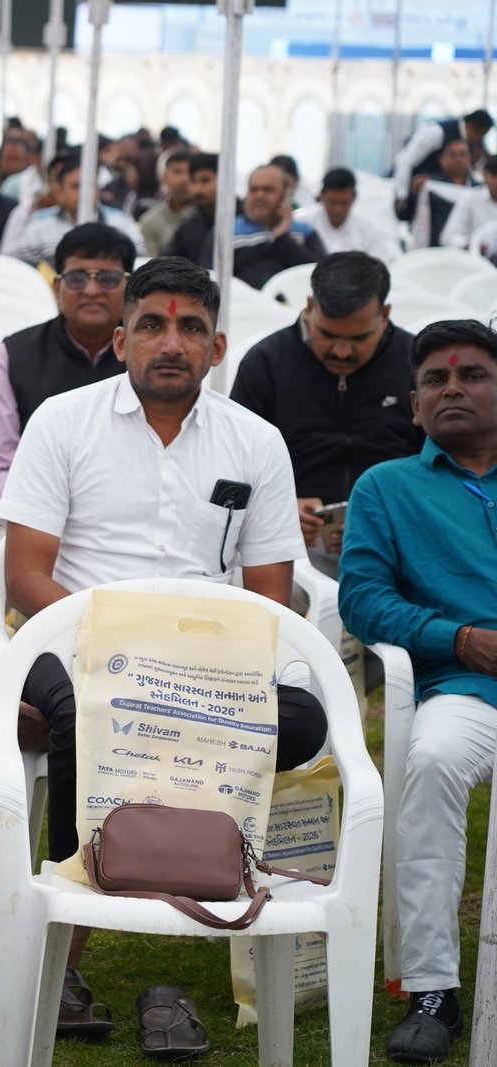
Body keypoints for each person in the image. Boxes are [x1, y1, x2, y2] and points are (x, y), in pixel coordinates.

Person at [0, 257, 327, 1056]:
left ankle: (189, 877)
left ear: (217, 346)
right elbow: (26, 576)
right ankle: (67, 940)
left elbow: (269, 594)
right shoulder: (63, 422)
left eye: (189, 329)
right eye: (150, 325)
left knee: (300, 720)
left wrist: (195, 664)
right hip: (74, 635)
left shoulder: (256, 441)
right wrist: (120, 640)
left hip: (210, 653)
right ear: (120, 341)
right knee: (90, 712)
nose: (169, 343)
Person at [337, 318, 497, 1065]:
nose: (452, 388)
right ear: (414, 404)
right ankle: (433, 989)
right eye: (436, 379)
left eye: (472, 375)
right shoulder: (387, 488)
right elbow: (363, 600)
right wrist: (458, 638)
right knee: (429, 764)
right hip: (463, 687)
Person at [230, 252, 421, 575]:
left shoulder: (416, 364)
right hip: (290, 545)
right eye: (328, 334)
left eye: (359, 338)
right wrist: (277, 507)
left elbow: (443, 460)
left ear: (385, 315)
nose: (341, 352)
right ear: (309, 307)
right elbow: (234, 462)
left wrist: (390, 515)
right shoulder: (266, 362)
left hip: (401, 537)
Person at [0, 223, 132, 512]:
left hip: (126, 519)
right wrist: (45, 518)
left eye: (108, 279)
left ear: (129, 288)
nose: (91, 290)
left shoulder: (148, 359)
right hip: (31, 517)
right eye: (77, 278)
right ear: (57, 288)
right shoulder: (12, 356)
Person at [6, 152, 144, 267]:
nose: (84, 193)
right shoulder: (39, 225)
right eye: (76, 186)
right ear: (60, 192)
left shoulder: (121, 222)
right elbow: (24, 270)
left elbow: (139, 263)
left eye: (91, 186)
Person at [231, 163, 327, 289]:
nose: (260, 195)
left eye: (268, 190)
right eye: (254, 189)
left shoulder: (304, 232)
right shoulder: (229, 232)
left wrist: (283, 237)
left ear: (286, 195)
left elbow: (321, 275)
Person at [393, 109, 494, 217]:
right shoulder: (436, 132)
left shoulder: (466, 141)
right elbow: (405, 160)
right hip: (408, 191)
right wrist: (401, 194)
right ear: (473, 128)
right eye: (481, 135)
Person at [295, 168, 400, 262]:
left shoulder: (371, 229)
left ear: (354, 197)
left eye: (344, 203)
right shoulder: (302, 222)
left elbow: (378, 266)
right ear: (321, 195)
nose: (338, 209)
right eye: (332, 202)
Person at [410, 138, 481, 249]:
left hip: (471, 250)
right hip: (435, 249)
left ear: (470, 158)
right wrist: (414, 193)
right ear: (442, 159)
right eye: (452, 155)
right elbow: (406, 215)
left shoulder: (479, 189)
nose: (458, 159)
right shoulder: (429, 185)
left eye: (462, 154)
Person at [163, 151, 221, 265]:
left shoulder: (244, 221)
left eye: (205, 180)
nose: (198, 189)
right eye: (194, 181)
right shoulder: (188, 226)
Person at [137, 149, 194, 257]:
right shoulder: (150, 221)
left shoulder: (209, 217)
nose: (185, 179)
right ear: (165, 177)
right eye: (177, 172)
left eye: (190, 172)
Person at [441, 154, 497, 252]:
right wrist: (474, 245)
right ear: (484, 175)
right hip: (477, 258)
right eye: (494, 176)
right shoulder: (470, 199)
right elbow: (448, 237)